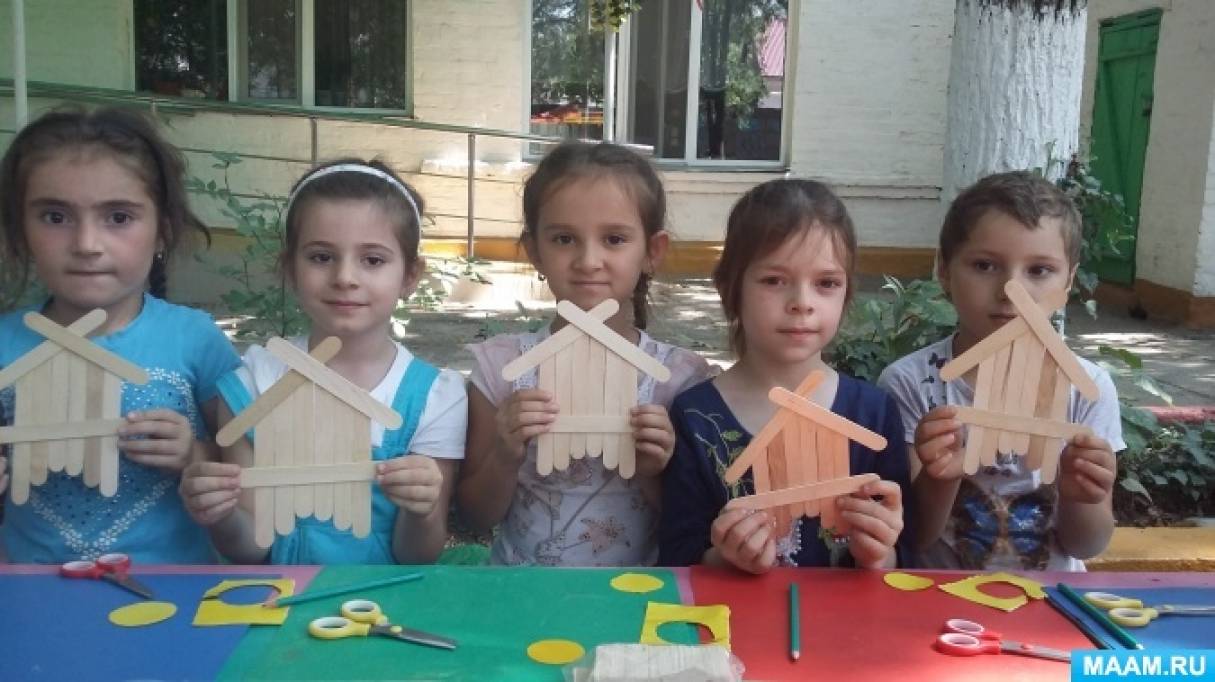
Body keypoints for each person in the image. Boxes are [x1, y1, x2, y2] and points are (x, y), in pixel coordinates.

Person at [180, 160, 465, 564]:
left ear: (410, 276)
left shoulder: (435, 398)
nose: (345, 277)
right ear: (290, 269)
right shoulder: (254, 384)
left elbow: (418, 555)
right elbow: (251, 549)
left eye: (373, 260)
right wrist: (221, 516)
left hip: (385, 598)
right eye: (320, 257)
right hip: (281, 597)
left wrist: (423, 511)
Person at [0, 107, 240, 563]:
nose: (86, 244)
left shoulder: (195, 339)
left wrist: (194, 453)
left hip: (177, 592)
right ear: (21, 229)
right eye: (55, 217)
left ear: (162, 230)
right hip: (31, 592)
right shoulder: (5, 344)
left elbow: (252, 464)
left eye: (118, 217)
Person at [458, 142, 713, 566]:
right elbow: (475, 516)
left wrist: (653, 471)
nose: (588, 260)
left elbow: (693, 529)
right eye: (564, 239)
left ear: (652, 251)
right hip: (520, 588)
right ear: (535, 251)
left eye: (614, 239)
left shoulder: (678, 379)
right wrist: (505, 453)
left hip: (636, 592)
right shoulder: (501, 369)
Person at [660, 179, 910, 573]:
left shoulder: (873, 413)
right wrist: (725, 557)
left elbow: (902, 557)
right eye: (774, 280)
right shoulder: (695, 416)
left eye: (826, 283)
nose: (801, 303)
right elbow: (677, 554)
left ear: (846, 295)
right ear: (729, 289)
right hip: (731, 612)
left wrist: (880, 553)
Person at [877, 171, 1123, 571]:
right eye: (985, 265)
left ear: (1069, 281)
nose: (1011, 290)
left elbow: (1087, 545)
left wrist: (1082, 496)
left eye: (1038, 270)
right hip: (939, 600)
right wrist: (940, 479)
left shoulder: (1086, 389)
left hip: (1049, 601)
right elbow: (913, 538)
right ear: (944, 271)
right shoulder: (910, 384)